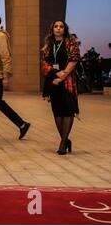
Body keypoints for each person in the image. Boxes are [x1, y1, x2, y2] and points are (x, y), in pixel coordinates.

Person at [42, 20, 80, 155]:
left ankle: (63, 143)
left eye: (61, 26)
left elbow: (74, 59)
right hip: (53, 81)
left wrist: (62, 76)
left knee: (68, 110)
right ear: (52, 29)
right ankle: (66, 139)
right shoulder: (48, 45)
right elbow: (45, 63)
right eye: (56, 27)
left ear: (65, 29)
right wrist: (55, 73)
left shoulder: (70, 42)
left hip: (67, 81)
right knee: (57, 111)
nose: (58, 29)